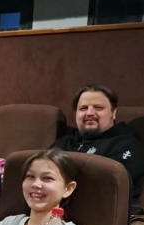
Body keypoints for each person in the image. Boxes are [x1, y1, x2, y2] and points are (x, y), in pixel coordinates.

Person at [51, 84, 144, 212]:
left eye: (98, 108)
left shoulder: (127, 144)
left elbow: (108, 186)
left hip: (101, 215)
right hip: (54, 211)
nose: (90, 113)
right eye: (83, 108)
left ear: (113, 113)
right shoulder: (63, 143)